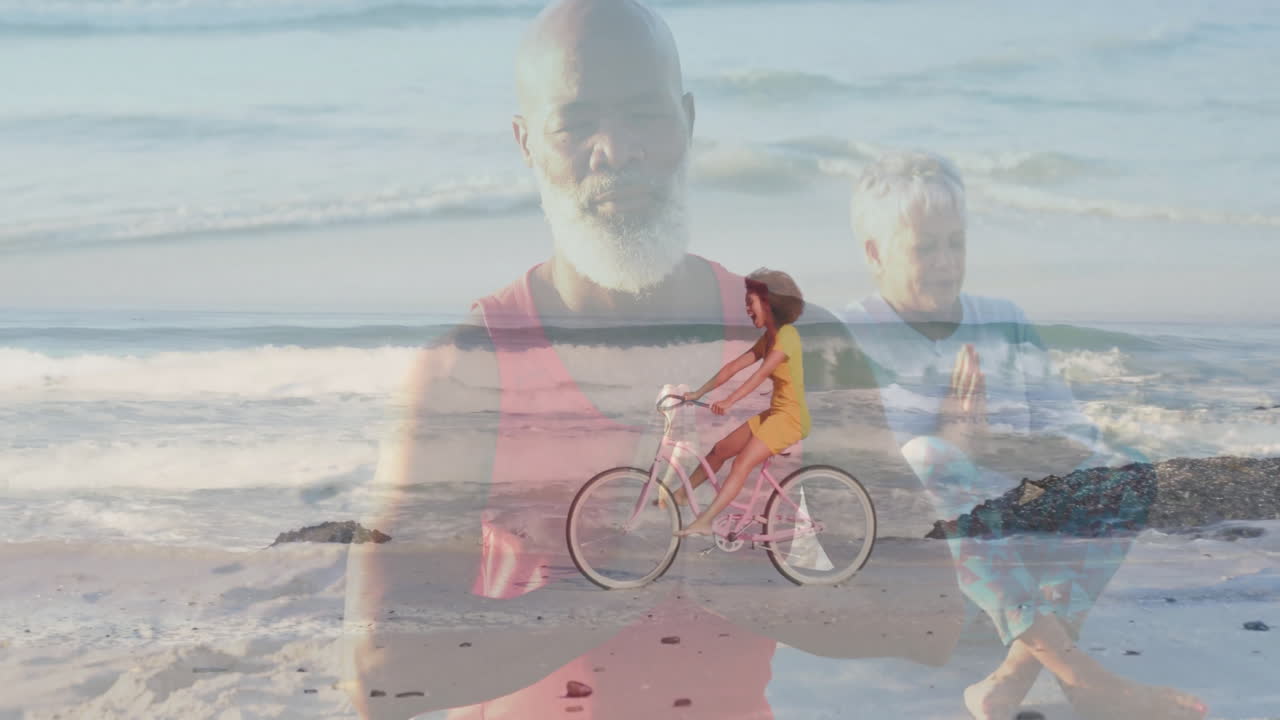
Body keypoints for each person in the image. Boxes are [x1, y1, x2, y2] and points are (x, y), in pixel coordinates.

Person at [341, 3, 966, 719]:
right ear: (525, 144)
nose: (617, 148)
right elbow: (380, 677)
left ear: (688, 123)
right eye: (576, 124)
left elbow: (931, 615)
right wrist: (614, 577)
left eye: (644, 113)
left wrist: (716, 575)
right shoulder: (472, 369)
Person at [843, 150, 1207, 720]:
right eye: (924, 247)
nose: (945, 262)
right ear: (874, 253)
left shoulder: (1004, 320)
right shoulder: (846, 338)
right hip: (919, 595)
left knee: (1129, 467)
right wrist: (952, 444)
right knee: (925, 454)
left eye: (955, 243)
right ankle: (1082, 677)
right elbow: (856, 492)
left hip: (1032, 589)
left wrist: (994, 450)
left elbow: (1075, 441)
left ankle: (1017, 671)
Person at [672, 269, 811, 538]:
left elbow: (759, 375)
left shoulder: (787, 337)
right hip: (775, 414)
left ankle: (705, 521)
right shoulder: (767, 338)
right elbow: (734, 367)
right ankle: (679, 495)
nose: (747, 309)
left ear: (768, 303)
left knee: (741, 464)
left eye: (750, 303)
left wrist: (729, 400)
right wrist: (698, 393)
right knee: (720, 449)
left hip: (791, 419)